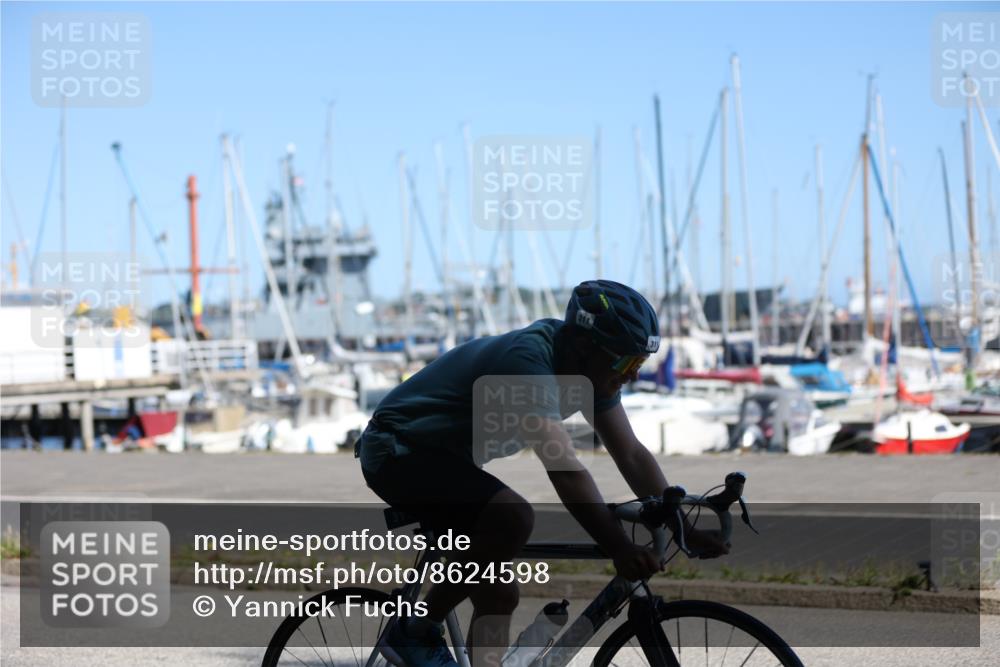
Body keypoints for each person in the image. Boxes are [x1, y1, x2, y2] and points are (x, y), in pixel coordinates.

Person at [357, 280, 728, 667]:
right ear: (585, 346)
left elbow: (631, 454)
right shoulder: (528, 363)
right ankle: (413, 633)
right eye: (626, 362)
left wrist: (685, 523)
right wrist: (619, 547)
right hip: (397, 450)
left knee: (499, 596)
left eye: (639, 364)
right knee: (512, 517)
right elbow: (565, 470)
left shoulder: (592, 373)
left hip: (448, 460)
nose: (632, 375)